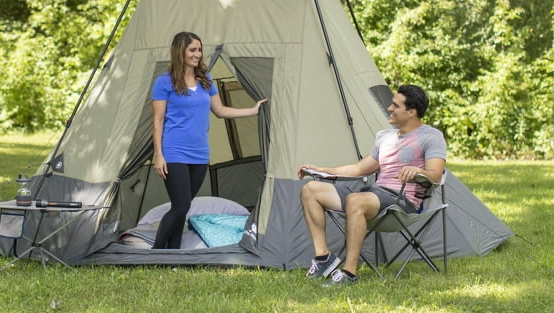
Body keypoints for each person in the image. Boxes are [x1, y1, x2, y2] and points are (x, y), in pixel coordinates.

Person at [297, 84, 446, 286]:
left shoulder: (431, 137)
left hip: (400, 202)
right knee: (310, 189)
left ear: (411, 112)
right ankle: (324, 259)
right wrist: (321, 170)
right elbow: (360, 169)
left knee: (355, 200)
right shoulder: (385, 137)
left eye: (395, 105)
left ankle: (349, 273)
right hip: (374, 195)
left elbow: (436, 175)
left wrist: (419, 172)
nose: (389, 109)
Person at [151, 31, 266, 249]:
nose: (197, 54)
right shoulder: (164, 82)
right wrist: (159, 154)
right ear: (180, 52)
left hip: (200, 153)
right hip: (173, 151)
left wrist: (252, 111)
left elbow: (221, 111)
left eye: (199, 50)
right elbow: (157, 120)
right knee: (181, 204)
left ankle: (174, 255)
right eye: (192, 50)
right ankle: (156, 252)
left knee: (183, 208)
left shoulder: (206, 79)